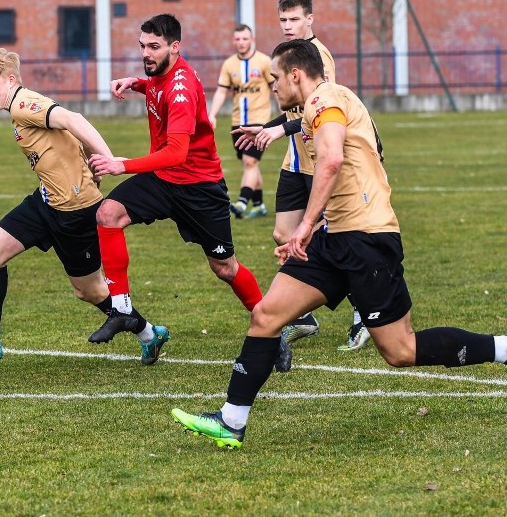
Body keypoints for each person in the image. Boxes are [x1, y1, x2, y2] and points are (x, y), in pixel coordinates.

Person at [171, 39, 507, 450]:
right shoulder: (321, 103)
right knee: (266, 315)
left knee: (400, 350)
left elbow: (330, 159)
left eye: (276, 78)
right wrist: (312, 227)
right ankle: (231, 420)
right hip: (334, 238)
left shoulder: (325, 100)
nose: (272, 86)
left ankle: (503, 348)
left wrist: (304, 224)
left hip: (367, 238)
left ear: (296, 74)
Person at [0, 45, 167, 367]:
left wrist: (106, 159)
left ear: (10, 80)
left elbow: (72, 118)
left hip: (76, 211)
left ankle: (149, 333)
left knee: (90, 291)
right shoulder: (18, 108)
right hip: (46, 201)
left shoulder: (24, 104)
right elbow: (64, 138)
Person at [87, 14, 263, 353]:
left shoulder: (180, 89)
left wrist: (121, 165)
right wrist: (135, 83)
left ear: (175, 47)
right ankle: (121, 307)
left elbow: (177, 153)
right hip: (163, 181)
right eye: (142, 46)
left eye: (154, 46)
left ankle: (269, 325)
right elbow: (156, 85)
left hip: (199, 188)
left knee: (225, 267)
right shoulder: (160, 71)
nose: (146, 53)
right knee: (108, 214)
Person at [235, 0, 368, 356]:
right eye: (283, 21)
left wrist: (277, 130)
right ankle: (305, 314)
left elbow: (320, 108)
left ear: (310, 18)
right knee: (283, 232)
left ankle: (361, 313)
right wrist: (269, 126)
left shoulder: (317, 57)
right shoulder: (286, 56)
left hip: (315, 163)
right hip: (292, 164)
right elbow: (294, 110)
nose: (288, 26)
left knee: (334, 240)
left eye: (294, 19)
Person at [208, 24, 274, 220]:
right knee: (250, 165)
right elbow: (221, 91)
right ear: (233, 41)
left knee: (250, 161)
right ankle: (260, 205)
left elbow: (275, 88)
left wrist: (286, 112)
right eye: (237, 39)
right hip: (238, 122)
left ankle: (242, 202)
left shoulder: (264, 61)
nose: (241, 42)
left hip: (260, 122)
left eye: (245, 39)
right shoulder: (229, 64)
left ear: (252, 40)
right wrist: (212, 114)